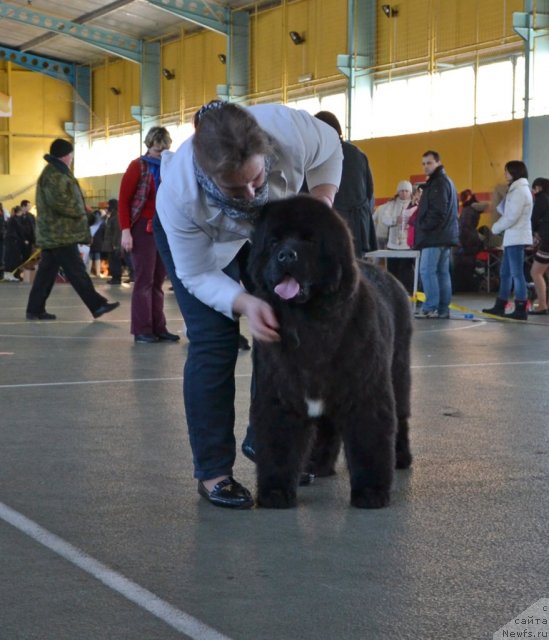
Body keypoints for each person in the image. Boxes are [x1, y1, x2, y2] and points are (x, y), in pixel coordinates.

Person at [154, 100, 342, 509]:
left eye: (256, 179)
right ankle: (213, 472)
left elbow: (331, 150)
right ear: (207, 173)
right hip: (203, 249)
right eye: (234, 189)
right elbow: (198, 275)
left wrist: (322, 201)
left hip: (263, 233)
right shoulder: (179, 195)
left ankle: (266, 442)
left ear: (265, 150)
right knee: (213, 344)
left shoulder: (291, 129)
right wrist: (241, 301)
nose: (251, 193)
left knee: (280, 330)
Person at [25, 138, 120, 321]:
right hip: (60, 233)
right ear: (65, 155)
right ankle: (97, 305)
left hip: (56, 232)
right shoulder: (54, 175)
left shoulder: (55, 172)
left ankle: (34, 309)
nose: (71, 158)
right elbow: (60, 202)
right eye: (70, 155)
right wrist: (84, 214)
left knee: (46, 273)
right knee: (76, 270)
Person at [119, 126, 179, 344]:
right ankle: (142, 329)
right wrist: (126, 231)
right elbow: (124, 201)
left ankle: (158, 327)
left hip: (164, 227)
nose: (160, 155)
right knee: (144, 280)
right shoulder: (137, 166)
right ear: (148, 147)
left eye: (164, 150)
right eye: (156, 150)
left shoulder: (170, 168)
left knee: (158, 281)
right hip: (142, 228)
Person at [313, 111, 376, 255]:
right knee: (355, 273)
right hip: (358, 231)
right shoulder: (359, 154)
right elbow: (370, 193)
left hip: (328, 227)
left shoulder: (316, 152)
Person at [482, 160, 533, 320]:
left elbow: (511, 216)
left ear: (515, 172)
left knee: (517, 274)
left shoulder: (519, 191)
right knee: (505, 273)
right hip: (512, 238)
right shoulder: (516, 189)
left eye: (507, 171)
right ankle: (500, 305)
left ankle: (520, 307)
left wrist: (496, 228)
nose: (505, 174)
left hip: (516, 238)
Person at [414, 150, 458, 319]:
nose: (426, 166)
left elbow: (438, 211)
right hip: (444, 236)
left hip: (434, 236)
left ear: (438, 163)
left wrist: (423, 226)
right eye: (423, 163)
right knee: (441, 272)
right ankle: (442, 309)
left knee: (427, 271)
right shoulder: (445, 181)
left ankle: (430, 306)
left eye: (429, 163)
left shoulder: (438, 183)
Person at [377, 180, 415, 293]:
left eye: (407, 191)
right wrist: (395, 220)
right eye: (402, 191)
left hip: (408, 246)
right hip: (392, 245)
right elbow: (384, 219)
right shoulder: (390, 205)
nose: (404, 193)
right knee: (392, 273)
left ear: (410, 192)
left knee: (407, 273)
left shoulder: (415, 205)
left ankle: (407, 295)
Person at [452, 189, 485, 292]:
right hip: (472, 241)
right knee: (468, 265)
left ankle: (461, 287)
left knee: (461, 265)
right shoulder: (474, 209)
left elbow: (464, 228)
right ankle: (468, 286)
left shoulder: (467, 210)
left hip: (466, 242)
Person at [527, 177, 549, 315]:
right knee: (546, 272)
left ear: (539, 187)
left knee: (536, 272)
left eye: (533, 188)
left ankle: (541, 305)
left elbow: (534, 218)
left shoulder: (542, 198)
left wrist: (530, 235)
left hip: (547, 241)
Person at [103, 198, 123, 284]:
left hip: (113, 244)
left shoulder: (116, 217)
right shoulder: (112, 216)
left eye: (108, 205)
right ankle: (114, 277)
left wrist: (116, 244)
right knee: (112, 261)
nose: (107, 207)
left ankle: (116, 278)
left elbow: (117, 232)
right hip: (110, 244)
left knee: (115, 262)